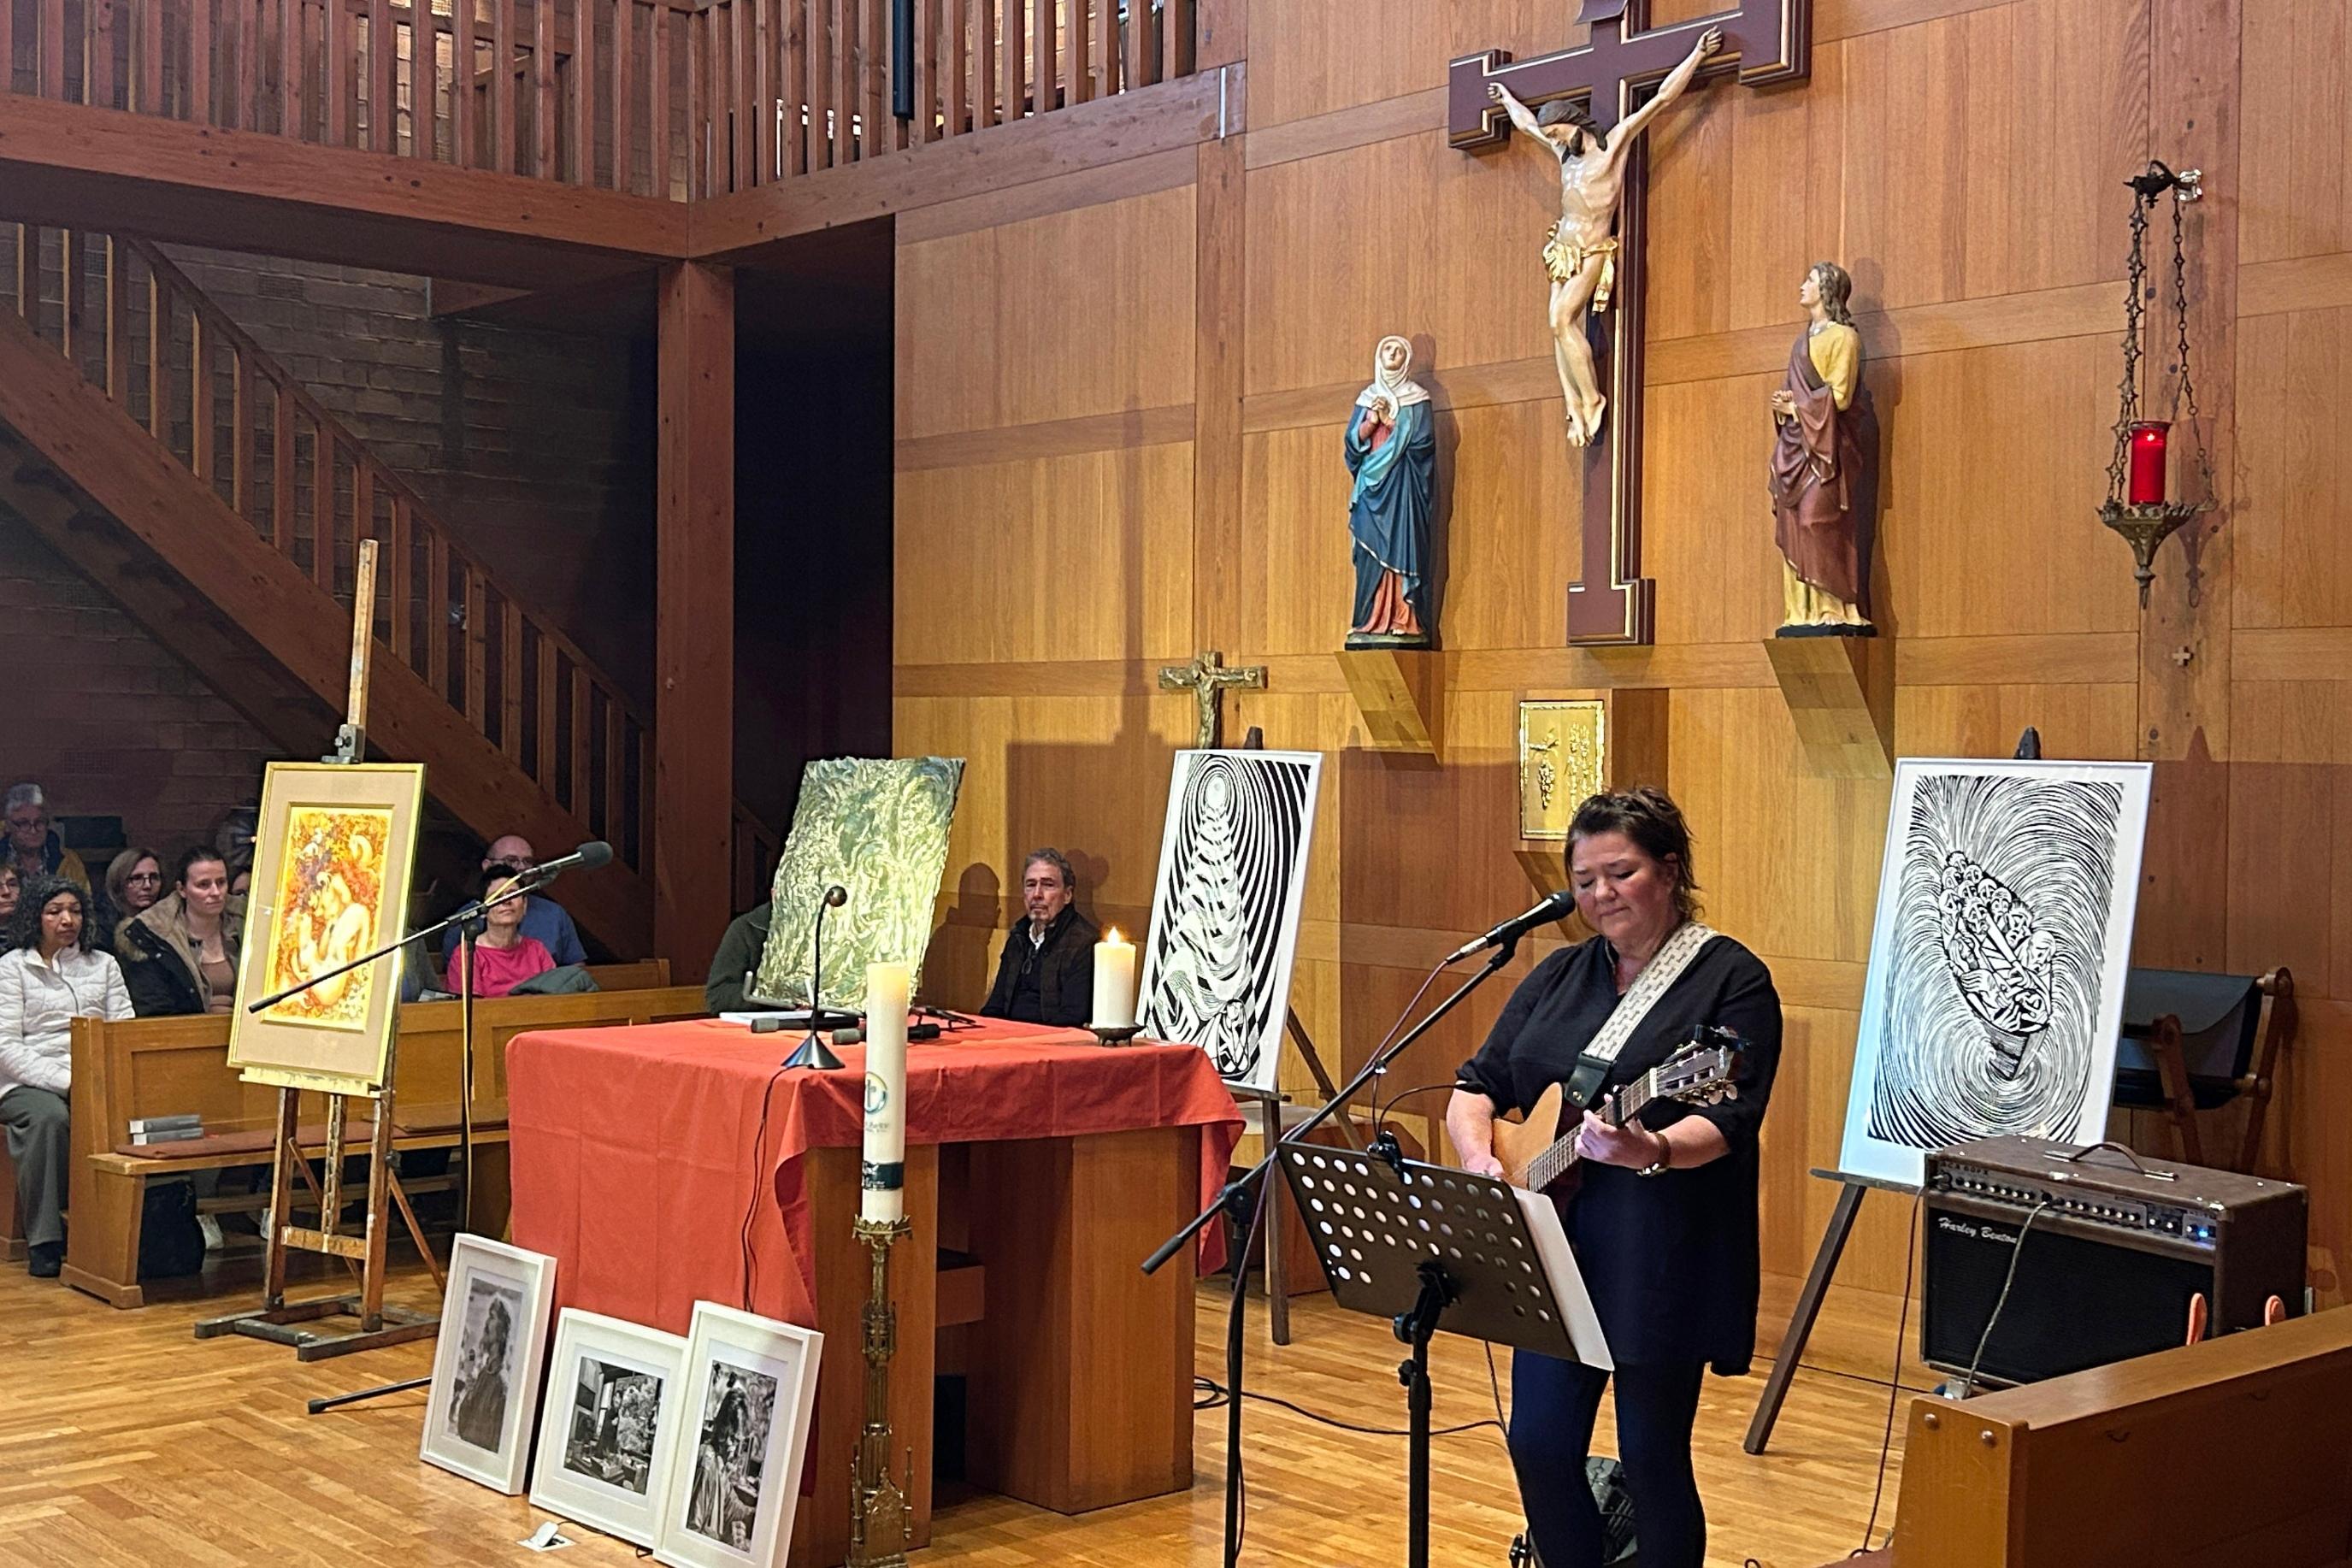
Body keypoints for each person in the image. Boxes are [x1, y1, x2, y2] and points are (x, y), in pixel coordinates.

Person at [1445, 788, 1781, 1568]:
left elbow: (1730, 1119)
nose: (1601, 894)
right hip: (1554, 1249)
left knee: (1652, 1456)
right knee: (1537, 1443)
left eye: (1620, 873)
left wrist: (1650, 1149)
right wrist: (1479, 1159)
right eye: (1584, 880)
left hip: (1658, 1251)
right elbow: (1476, 1086)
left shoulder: (1729, 978)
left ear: (1670, 869)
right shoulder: (1561, 972)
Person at [1489, 27, 1722, 446]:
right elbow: (1526, 126)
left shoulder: (1613, 145)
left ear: (1572, 122)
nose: (1555, 141)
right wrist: (1507, 100)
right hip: (1562, 246)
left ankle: (1594, 398)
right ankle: (1575, 406)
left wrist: (1697, 55)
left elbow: (1661, 100)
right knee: (1555, 326)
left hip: (1593, 246)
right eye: (1552, 136)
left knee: (1562, 319)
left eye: (1557, 133)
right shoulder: (1564, 155)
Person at [0, 875, 135, 1277]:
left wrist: (97, 1078)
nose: (67, 920)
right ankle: (45, 1240)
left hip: (95, 1073)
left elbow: (123, 1028)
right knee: (51, 1118)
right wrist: (67, 1081)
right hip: (23, 1081)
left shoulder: (103, 964)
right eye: (55, 911)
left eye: (75, 911)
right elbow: (6, 1046)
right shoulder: (12, 967)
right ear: (35, 917)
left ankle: (124, 1232)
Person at [1769, 259, 1873, 633]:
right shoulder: (1802, 341)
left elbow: (1840, 397)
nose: (1802, 286)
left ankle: (1835, 605)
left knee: (1818, 522)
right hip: (1798, 447)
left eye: (1810, 281)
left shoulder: (1844, 338)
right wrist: (1785, 405)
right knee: (1795, 523)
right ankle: (1802, 611)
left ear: (1827, 290)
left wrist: (1797, 409)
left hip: (1827, 451)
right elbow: (1798, 391)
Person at [1345, 334, 1440, 648]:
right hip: (1370, 488)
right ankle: (1369, 619)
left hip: (1402, 487)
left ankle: (1404, 618)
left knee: (1403, 546)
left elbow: (1424, 443)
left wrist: (1391, 421)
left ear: (1407, 360)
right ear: (1379, 355)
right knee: (1368, 551)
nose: (1393, 354)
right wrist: (1372, 422)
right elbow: (1352, 446)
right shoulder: (1366, 398)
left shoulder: (1417, 398)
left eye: (1399, 351)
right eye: (1388, 348)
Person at [118, 848, 247, 1017]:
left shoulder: (248, 921)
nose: (216, 892)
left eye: (221, 882)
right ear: (182, 890)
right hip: (185, 1029)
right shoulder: (154, 935)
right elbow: (154, 1009)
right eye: (203, 885)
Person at [979, 849, 1098, 1027]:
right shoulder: (1018, 936)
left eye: (1048, 885)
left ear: (1067, 895)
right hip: (1007, 1036)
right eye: (1030, 885)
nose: (1037, 894)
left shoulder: (1084, 943)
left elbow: (1073, 1016)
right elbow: (995, 1006)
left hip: (1052, 1039)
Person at [439, 835, 587, 968]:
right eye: (511, 860)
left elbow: (576, 968)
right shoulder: (466, 918)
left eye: (528, 861)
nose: (521, 867)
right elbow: (452, 972)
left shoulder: (554, 914)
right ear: (487, 866)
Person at [448, 875, 557, 998]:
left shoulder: (537, 950)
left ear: (525, 905)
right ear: (481, 909)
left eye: (513, 894)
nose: (506, 901)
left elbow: (555, 997)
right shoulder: (468, 954)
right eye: (497, 896)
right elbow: (472, 1006)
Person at [4, 784, 91, 892]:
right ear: (8, 825)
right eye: (24, 823)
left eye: (39, 822)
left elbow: (84, 899)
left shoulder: (70, 861)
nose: (33, 831)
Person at [704, 901, 773, 1013]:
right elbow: (717, 997)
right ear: (773, 893)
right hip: (766, 1021)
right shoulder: (747, 928)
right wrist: (771, 990)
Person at [99, 847, 166, 947]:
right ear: (119, 882)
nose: (147, 885)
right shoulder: (101, 928)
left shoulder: (172, 923)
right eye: (137, 878)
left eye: (154, 877)